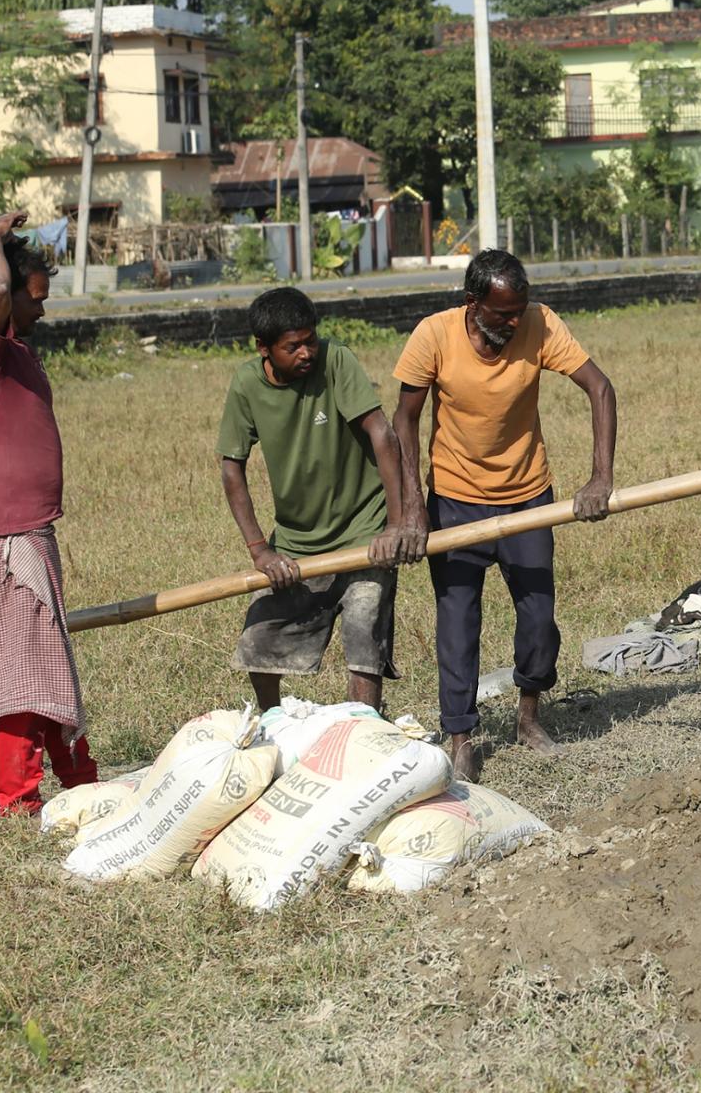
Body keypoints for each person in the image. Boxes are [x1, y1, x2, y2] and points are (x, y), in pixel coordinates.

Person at [389, 249, 617, 782]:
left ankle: (529, 716)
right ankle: (462, 736)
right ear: (472, 304)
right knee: (457, 624)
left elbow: (600, 388)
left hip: (527, 494)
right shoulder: (433, 336)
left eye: (519, 311)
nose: (514, 322)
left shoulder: (539, 323)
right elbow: (405, 422)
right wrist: (413, 510)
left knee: (539, 617)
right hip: (455, 500)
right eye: (502, 314)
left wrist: (600, 477)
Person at [0, 210, 99, 815]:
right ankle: (18, 798)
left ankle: (82, 782)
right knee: (21, 672)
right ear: (4, 298)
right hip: (5, 539)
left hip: (30, 532)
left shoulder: (20, 352)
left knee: (47, 662)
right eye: (34, 299)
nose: (42, 311)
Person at [218, 287, 414, 713]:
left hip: (364, 531)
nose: (307, 352)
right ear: (264, 349)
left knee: (364, 636)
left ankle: (364, 731)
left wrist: (395, 525)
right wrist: (260, 551)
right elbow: (231, 468)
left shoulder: (335, 359)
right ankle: (271, 725)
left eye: (310, 340)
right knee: (260, 638)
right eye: (293, 346)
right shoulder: (247, 384)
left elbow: (382, 433)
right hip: (296, 541)